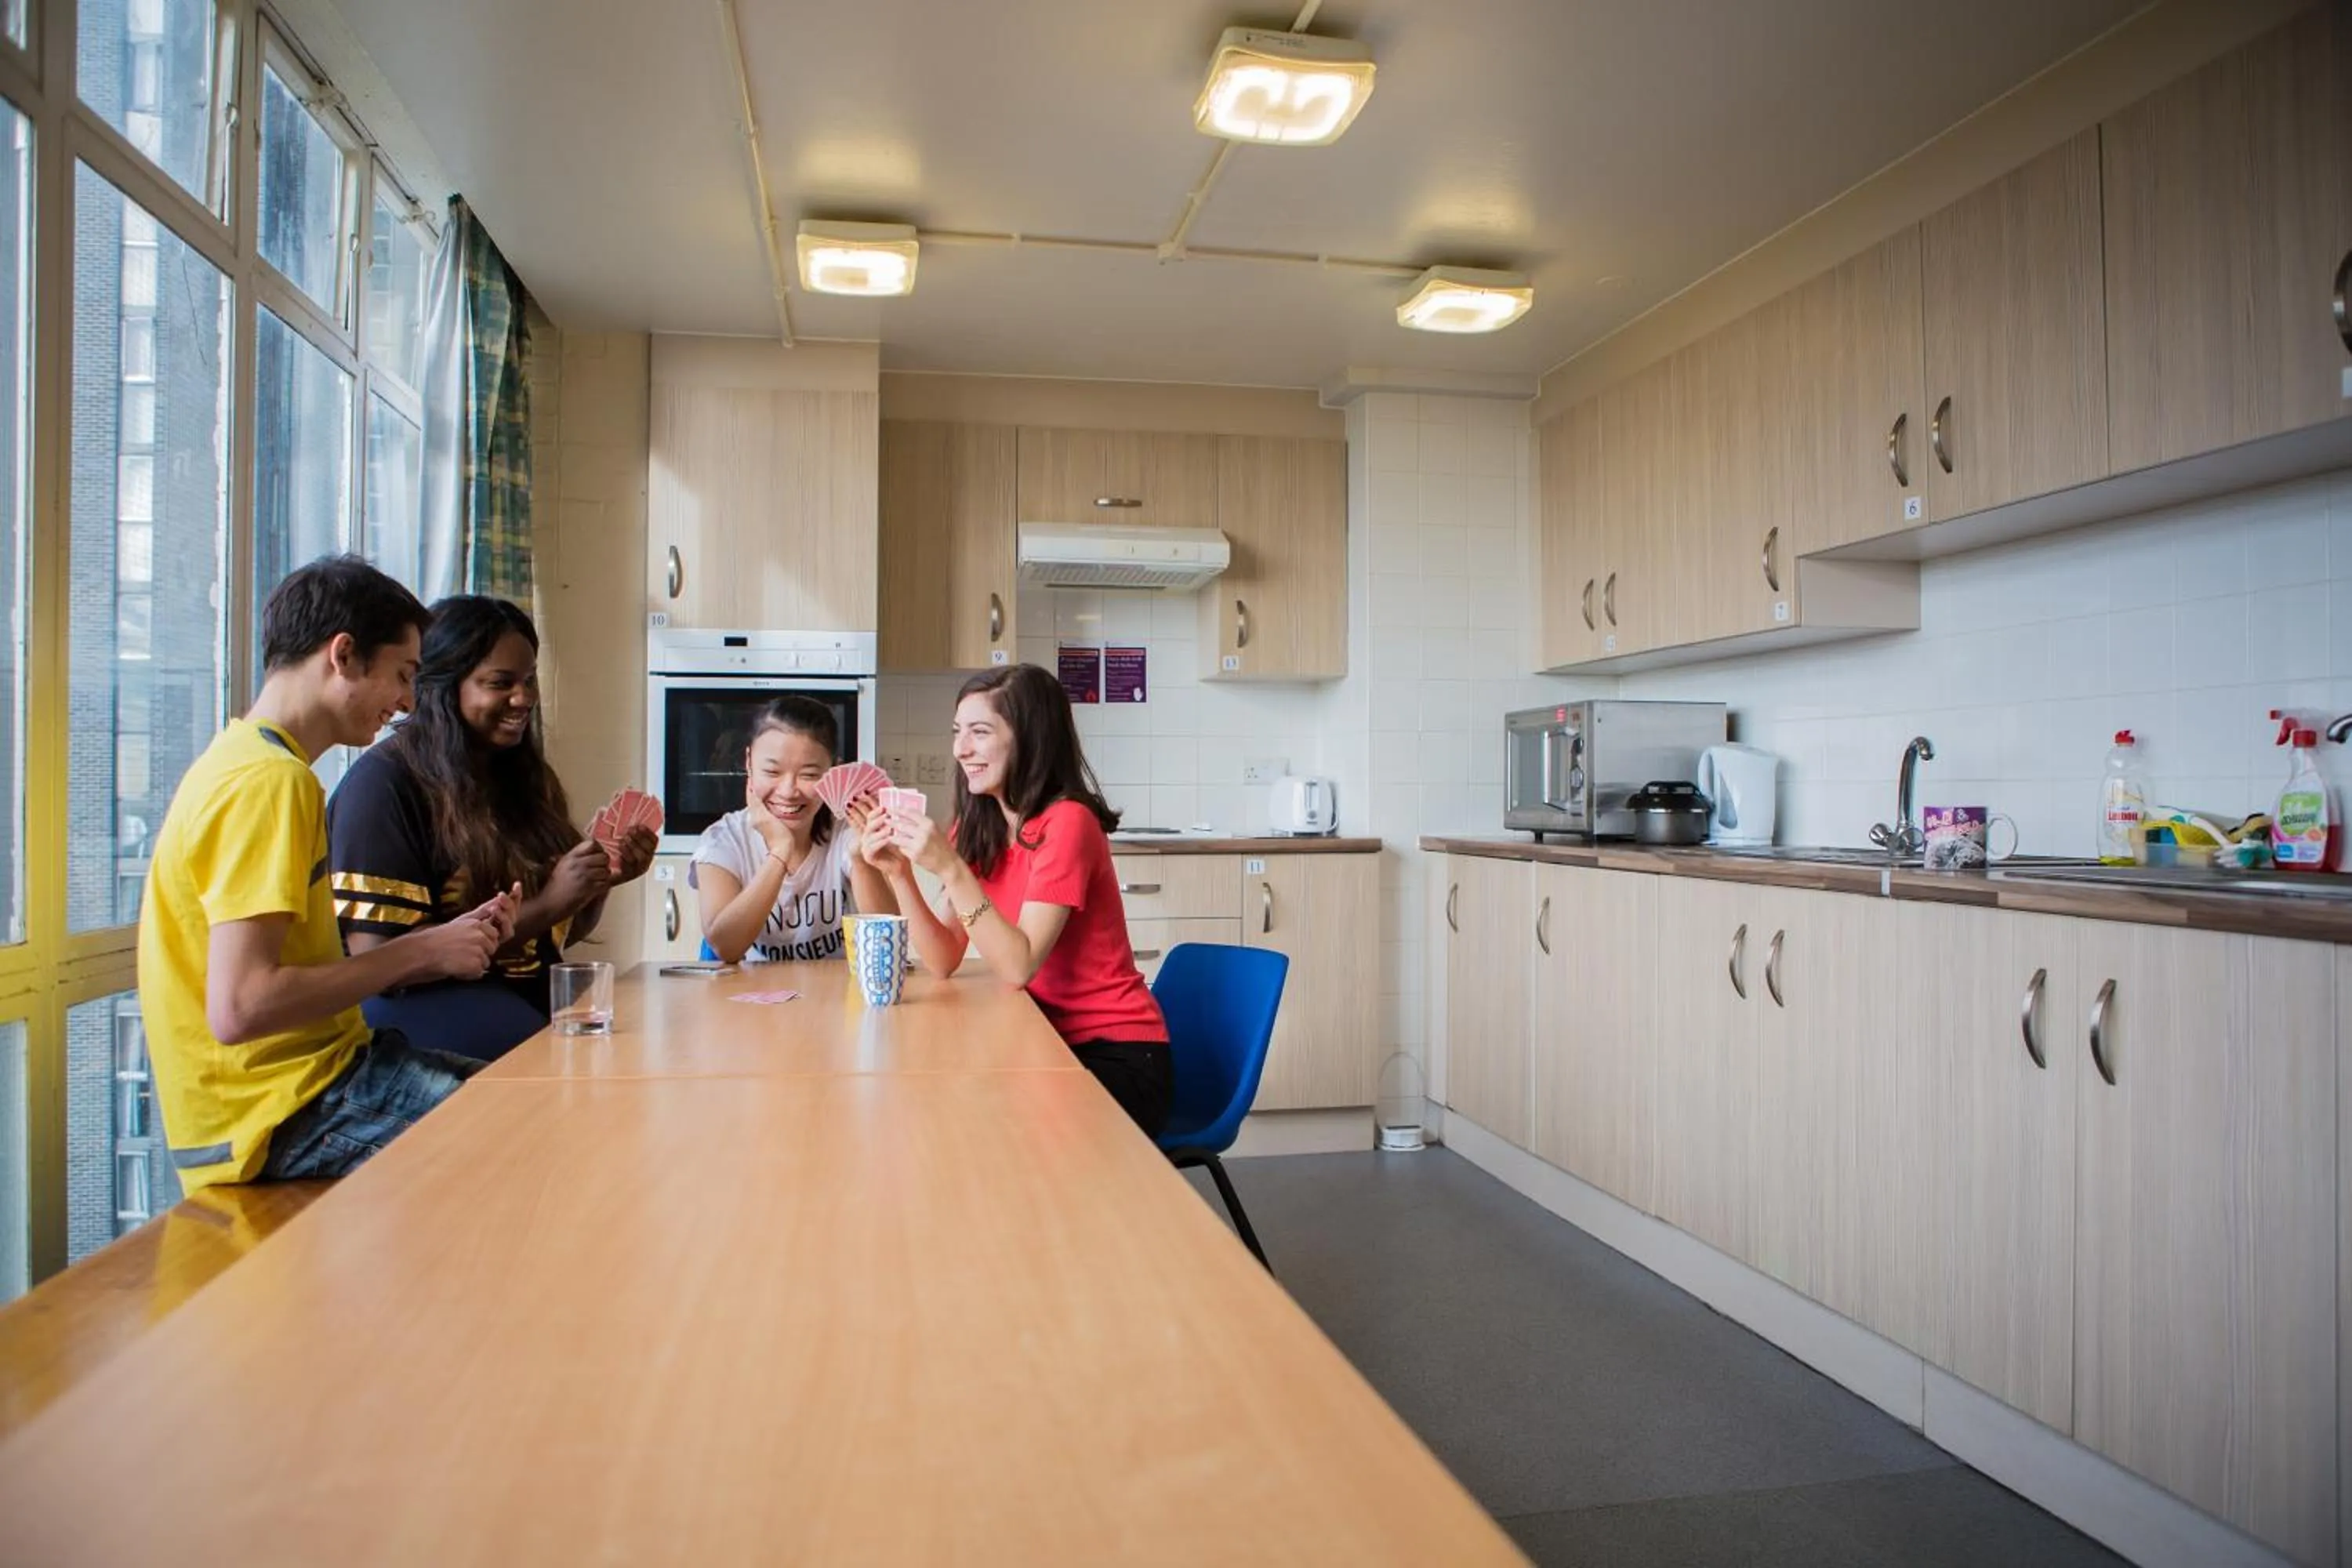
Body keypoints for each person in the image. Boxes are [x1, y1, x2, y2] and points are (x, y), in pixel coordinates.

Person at [136, 556, 518, 1187]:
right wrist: (423, 951)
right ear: (343, 655)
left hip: (316, 1081)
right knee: (537, 1137)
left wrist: (445, 942)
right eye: (403, 675)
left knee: (533, 1099)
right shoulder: (270, 782)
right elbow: (240, 1007)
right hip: (279, 1112)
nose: (406, 702)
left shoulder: (241, 759)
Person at [328, 596, 657, 1060]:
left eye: (529, 680)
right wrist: (552, 901)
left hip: (521, 1001)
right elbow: (376, 959)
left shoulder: (522, 777)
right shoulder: (383, 786)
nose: (524, 699)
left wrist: (595, 884)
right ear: (444, 686)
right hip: (419, 1015)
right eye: (501, 683)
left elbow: (550, 939)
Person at [866, 664, 1171, 1134]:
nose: (960, 749)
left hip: (1115, 1052)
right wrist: (900, 874)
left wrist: (951, 868)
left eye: (980, 732)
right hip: (1043, 1033)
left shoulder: (1068, 822)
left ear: (1030, 738)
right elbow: (943, 959)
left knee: (984, 1125)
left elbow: (1018, 966)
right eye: (957, 732)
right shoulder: (980, 825)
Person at [691, 696, 896, 964]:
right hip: (751, 989)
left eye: (809, 775)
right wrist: (780, 851)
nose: (788, 792)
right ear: (749, 762)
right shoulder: (722, 840)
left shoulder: (846, 831)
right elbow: (725, 947)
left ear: (833, 771)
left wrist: (860, 859)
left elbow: (887, 939)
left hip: (833, 988)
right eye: (772, 772)